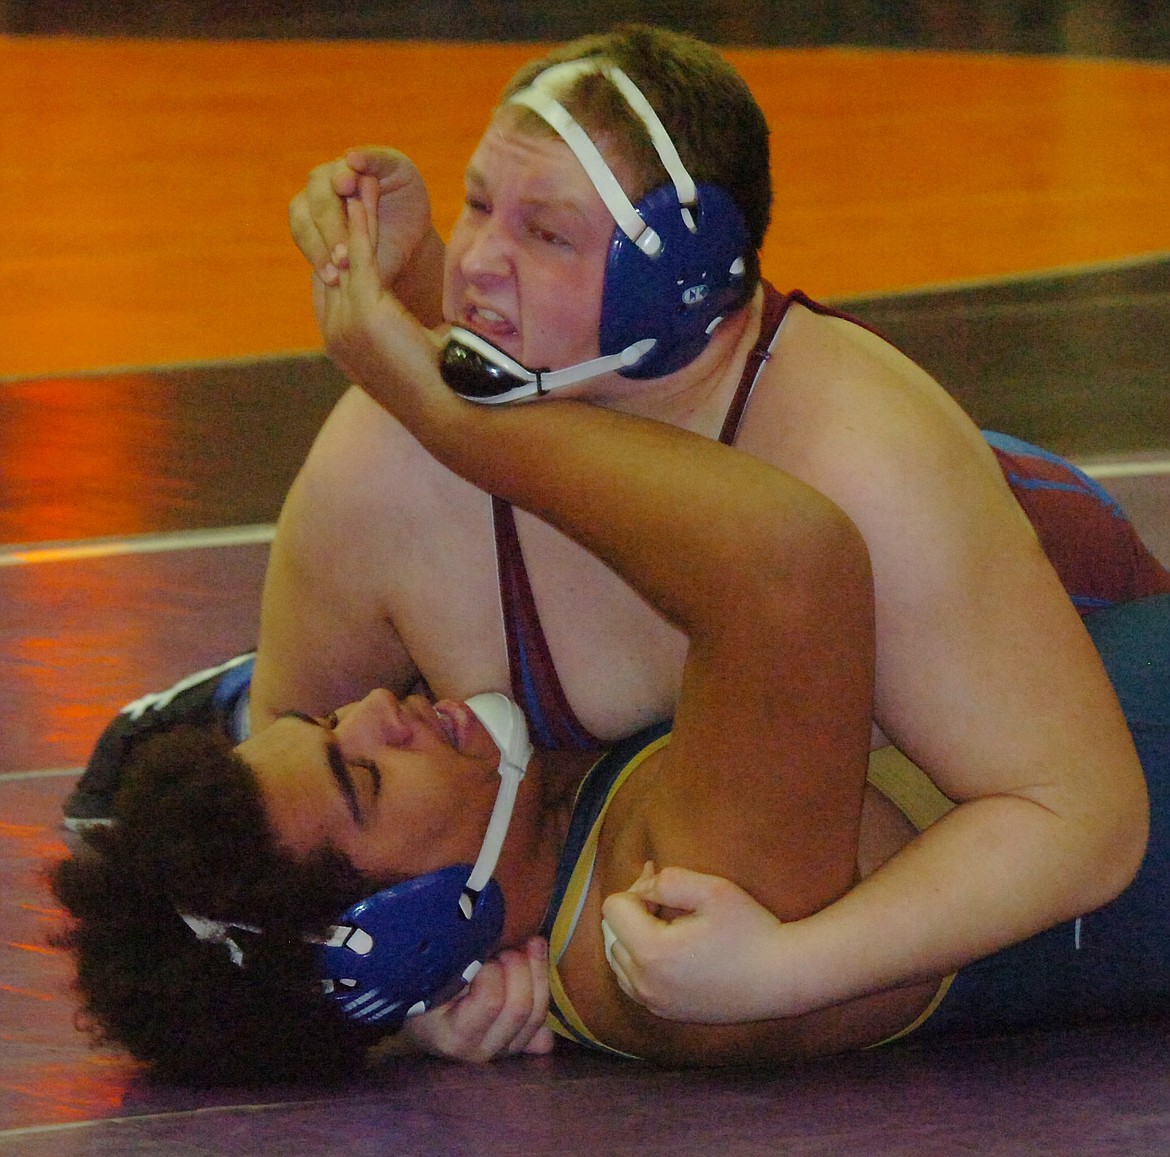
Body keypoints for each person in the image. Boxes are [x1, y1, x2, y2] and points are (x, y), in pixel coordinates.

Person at [57, 24, 1168, 1070]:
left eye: (539, 230)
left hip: (1033, 592)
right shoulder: (665, 919)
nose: (481, 264)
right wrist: (404, 992)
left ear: (675, 281)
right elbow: (779, 569)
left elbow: (1081, 813)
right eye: (480, 207)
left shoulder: (862, 460)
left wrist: (436, 382)